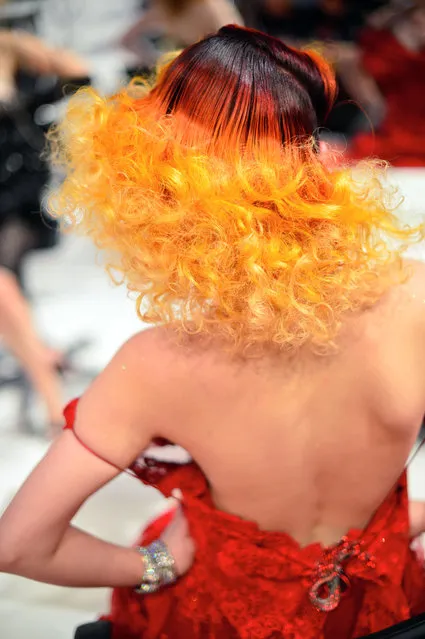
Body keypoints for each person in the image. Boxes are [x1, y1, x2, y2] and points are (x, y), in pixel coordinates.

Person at [1, 24, 425, 639]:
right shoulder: (415, 295)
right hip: (387, 610)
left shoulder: (154, 366)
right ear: (311, 158)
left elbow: (18, 545)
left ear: (154, 183)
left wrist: (153, 564)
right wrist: (391, 524)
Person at [121, 0, 244, 66]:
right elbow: (126, 41)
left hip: (220, 71)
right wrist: (157, 61)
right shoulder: (163, 9)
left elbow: (239, 42)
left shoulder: (210, 5)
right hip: (198, 73)